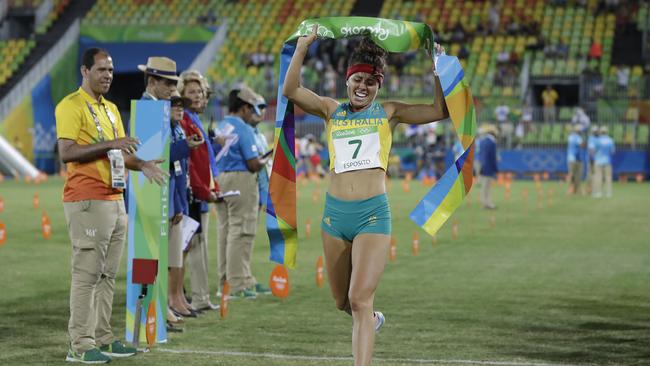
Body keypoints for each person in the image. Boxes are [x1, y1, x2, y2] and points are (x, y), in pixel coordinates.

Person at [282, 27, 449, 366]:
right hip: (335, 216)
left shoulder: (389, 112)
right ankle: (372, 321)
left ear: (379, 85)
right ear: (347, 81)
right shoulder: (331, 110)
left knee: (360, 299)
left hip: (373, 215)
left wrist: (438, 72)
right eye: (357, 80)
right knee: (343, 302)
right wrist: (301, 49)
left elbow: (437, 110)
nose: (362, 87)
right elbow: (290, 90)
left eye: (370, 82)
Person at [55, 48, 167, 364]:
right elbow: (67, 152)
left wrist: (142, 163)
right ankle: (79, 344)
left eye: (111, 70)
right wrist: (111, 144)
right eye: (102, 70)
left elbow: (117, 154)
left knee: (107, 276)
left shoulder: (111, 110)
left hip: (115, 199)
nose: (107, 75)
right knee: (86, 275)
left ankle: (103, 338)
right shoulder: (71, 105)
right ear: (85, 71)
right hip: (87, 200)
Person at [136, 56, 189, 330]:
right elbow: (155, 157)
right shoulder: (148, 110)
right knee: (147, 259)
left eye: (173, 82)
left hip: (156, 197)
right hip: (148, 200)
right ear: (153, 81)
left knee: (154, 260)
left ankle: (154, 311)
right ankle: (147, 313)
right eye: (168, 83)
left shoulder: (156, 111)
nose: (172, 88)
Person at [215, 86, 271, 299]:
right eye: (252, 108)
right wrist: (265, 159)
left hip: (221, 179)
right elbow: (253, 163)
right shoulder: (244, 128)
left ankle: (228, 282)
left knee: (226, 233)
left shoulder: (222, 125)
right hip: (241, 179)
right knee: (241, 232)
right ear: (245, 108)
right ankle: (238, 284)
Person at [178, 70, 221, 313]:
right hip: (192, 192)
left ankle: (199, 296)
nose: (197, 96)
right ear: (182, 94)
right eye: (191, 92)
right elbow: (191, 163)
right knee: (190, 246)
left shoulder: (192, 119)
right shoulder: (185, 119)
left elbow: (203, 160)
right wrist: (205, 190)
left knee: (196, 245)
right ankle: (193, 297)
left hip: (200, 191)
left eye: (200, 92)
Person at [478, 124, 498, 209]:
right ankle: (488, 203)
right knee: (488, 186)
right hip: (489, 166)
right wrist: (495, 169)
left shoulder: (483, 141)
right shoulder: (492, 142)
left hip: (483, 165)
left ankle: (485, 202)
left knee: (484, 186)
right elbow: (492, 157)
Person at [592, 125, 615, 198]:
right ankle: (608, 193)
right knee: (608, 177)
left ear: (600, 132)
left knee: (598, 177)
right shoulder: (610, 140)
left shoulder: (597, 140)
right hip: (607, 161)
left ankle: (598, 193)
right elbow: (613, 151)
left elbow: (594, 150)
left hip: (598, 161)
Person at [567, 124, 584, 195]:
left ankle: (571, 190)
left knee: (572, 174)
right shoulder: (578, 138)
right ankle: (577, 190)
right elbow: (582, 145)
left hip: (570, 158)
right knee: (578, 175)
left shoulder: (570, 137)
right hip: (577, 158)